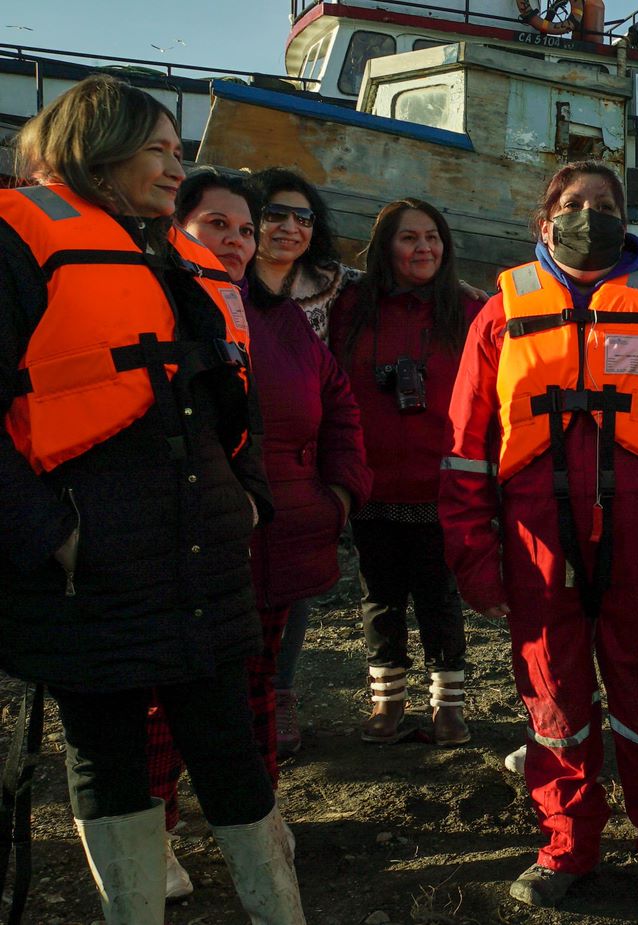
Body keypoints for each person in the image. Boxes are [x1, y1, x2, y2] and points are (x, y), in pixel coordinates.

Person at [0, 75, 304, 922]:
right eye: (159, 149)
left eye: (181, 150)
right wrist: (46, 535)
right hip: (87, 564)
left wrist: (244, 496)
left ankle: (280, 909)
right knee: (105, 752)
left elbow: (224, 395)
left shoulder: (168, 254)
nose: (179, 167)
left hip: (198, 551)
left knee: (230, 748)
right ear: (96, 146)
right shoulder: (16, 240)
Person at [440, 160, 638, 914]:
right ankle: (566, 846)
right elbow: (465, 449)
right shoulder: (501, 311)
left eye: (605, 204)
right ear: (546, 222)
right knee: (554, 708)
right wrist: (476, 561)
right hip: (537, 547)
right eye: (574, 204)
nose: (590, 214)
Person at [144, 169, 370, 899]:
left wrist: (335, 496)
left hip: (282, 538)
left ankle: (258, 824)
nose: (241, 239)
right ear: (178, 226)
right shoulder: (156, 306)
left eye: (246, 228)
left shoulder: (274, 318)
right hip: (187, 546)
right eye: (224, 225)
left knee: (259, 693)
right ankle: (157, 838)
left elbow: (339, 405)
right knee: (166, 702)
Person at [331, 198, 482, 745]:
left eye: (433, 238)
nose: (423, 248)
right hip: (371, 483)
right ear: (385, 247)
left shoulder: (466, 309)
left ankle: (448, 704)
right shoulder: (350, 306)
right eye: (409, 238)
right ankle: (387, 703)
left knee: (439, 595)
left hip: (440, 482)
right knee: (379, 595)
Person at [245, 166, 361, 757]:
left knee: (291, 590)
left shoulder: (328, 283)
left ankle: (280, 693)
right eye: (274, 215)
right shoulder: (221, 284)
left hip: (307, 459)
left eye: (303, 217)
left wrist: (338, 495)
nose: (290, 227)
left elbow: (396, 279)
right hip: (242, 460)